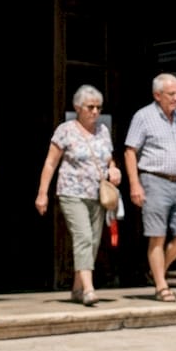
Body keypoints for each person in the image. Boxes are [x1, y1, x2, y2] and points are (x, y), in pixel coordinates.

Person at [35, 84, 120, 306]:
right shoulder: (66, 130)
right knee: (83, 237)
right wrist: (42, 193)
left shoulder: (103, 130)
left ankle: (76, 288)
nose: (95, 112)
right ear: (77, 107)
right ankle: (89, 289)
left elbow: (109, 159)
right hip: (71, 192)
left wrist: (113, 169)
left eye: (98, 108)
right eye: (90, 107)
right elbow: (51, 162)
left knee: (93, 241)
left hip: (98, 194)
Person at [124, 73, 176, 303]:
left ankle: (158, 270)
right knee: (157, 236)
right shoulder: (143, 117)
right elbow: (130, 151)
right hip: (154, 180)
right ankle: (161, 286)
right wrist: (135, 184)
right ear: (157, 95)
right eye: (171, 94)